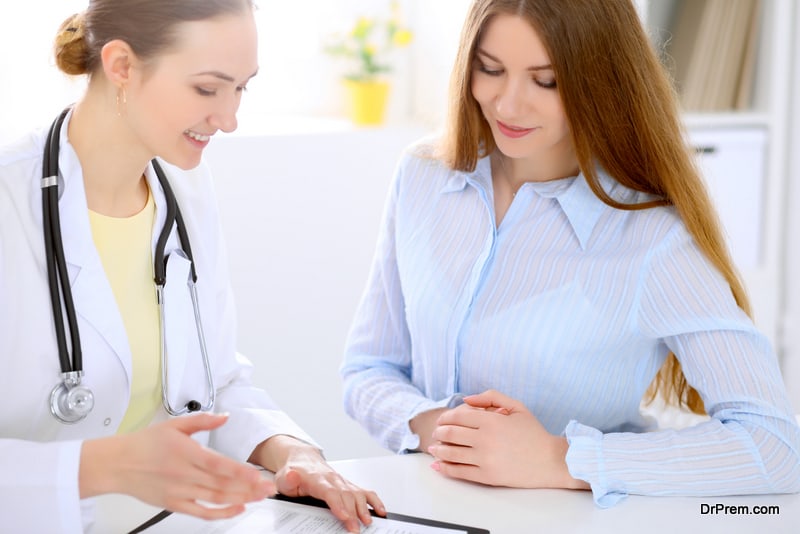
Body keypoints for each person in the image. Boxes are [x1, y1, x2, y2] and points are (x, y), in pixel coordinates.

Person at [340, 0, 800, 507]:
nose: (508, 105)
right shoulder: (423, 175)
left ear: (600, 83)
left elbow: (776, 445)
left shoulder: (651, 239)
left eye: (547, 81)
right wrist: (441, 430)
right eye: (490, 69)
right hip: (425, 508)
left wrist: (559, 458)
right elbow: (368, 367)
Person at [0, 1, 384, 532]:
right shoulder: (8, 201)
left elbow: (211, 376)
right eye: (207, 89)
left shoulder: (185, 189)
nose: (228, 119)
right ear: (122, 66)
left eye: (241, 88)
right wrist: (106, 466)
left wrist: (291, 452)